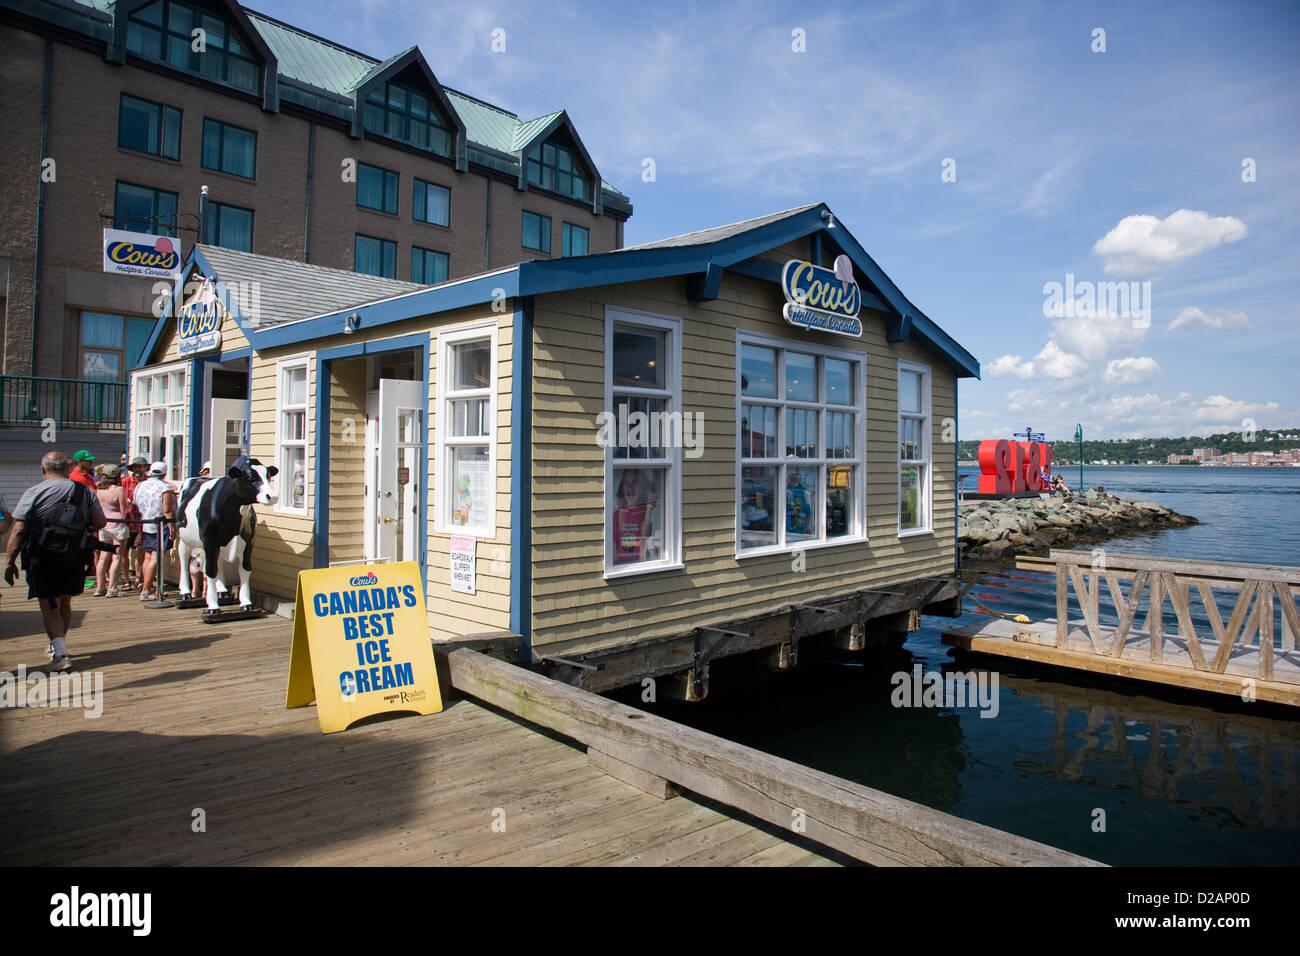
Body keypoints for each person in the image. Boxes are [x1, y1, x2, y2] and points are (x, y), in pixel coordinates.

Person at [4, 451, 106, 671]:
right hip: (72, 555)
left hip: (42, 556)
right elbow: (99, 521)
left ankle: (60, 654)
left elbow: (19, 530)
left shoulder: (34, 492)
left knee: (49, 605)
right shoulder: (84, 491)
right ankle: (59, 643)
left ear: (43, 468)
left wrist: (10, 560)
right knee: (65, 601)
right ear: (68, 469)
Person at [133, 461, 177, 602]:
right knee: (155, 558)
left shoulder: (140, 485)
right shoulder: (165, 488)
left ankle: (148, 586)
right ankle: (145, 591)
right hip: (159, 526)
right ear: (164, 473)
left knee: (147, 557)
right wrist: (172, 527)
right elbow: (167, 510)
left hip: (144, 524)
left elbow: (135, 504)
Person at [95, 463, 129, 597]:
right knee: (117, 556)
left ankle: (100, 587)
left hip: (104, 525)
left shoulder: (98, 489)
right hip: (118, 525)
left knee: (103, 557)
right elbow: (123, 510)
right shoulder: (118, 490)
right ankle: (112, 588)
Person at [612, 470, 658, 564]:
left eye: (634, 483)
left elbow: (645, 535)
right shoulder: (618, 513)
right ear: (622, 488)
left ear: (641, 488)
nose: (630, 486)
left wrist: (648, 509)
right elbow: (614, 542)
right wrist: (615, 564)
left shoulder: (643, 511)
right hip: (621, 565)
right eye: (627, 483)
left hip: (640, 564)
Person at [121, 456, 149, 590]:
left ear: (146, 468)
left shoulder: (149, 482)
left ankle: (139, 578)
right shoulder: (125, 481)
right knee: (123, 551)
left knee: (140, 550)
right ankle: (126, 579)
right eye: (135, 467)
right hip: (126, 521)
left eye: (140, 466)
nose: (138, 469)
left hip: (142, 521)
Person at [785, 469, 814, 537]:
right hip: (788, 530)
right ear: (789, 477)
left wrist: (806, 528)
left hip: (800, 530)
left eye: (796, 475)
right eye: (792, 474)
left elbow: (808, 513)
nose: (794, 476)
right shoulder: (785, 490)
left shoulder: (803, 491)